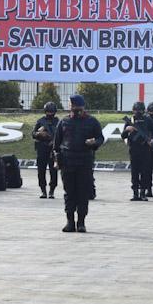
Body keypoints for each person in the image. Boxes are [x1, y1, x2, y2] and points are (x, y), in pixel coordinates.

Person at [53, 95, 104, 233]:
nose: (71, 107)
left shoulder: (92, 122)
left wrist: (95, 143)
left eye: (72, 104)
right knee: (69, 193)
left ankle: (81, 222)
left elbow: (100, 138)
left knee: (83, 193)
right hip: (68, 162)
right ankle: (70, 221)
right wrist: (57, 159)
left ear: (79, 106)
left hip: (84, 162)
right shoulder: (64, 122)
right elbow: (56, 144)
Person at [121, 101, 153, 202]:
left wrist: (151, 140)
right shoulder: (130, 120)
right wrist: (127, 130)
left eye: (139, 110)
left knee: (145, 171)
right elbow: (123, 136)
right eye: (136, 110)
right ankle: (135, 193)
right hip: (134, 149)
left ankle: (143, 192)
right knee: (134, 172)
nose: (138, 112)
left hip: (145, 149)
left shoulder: (148, 120)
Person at [32, 102, 59, 198]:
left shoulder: (58, 122)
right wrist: (39, 134)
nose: (50, 114)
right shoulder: (40, 121)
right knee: (41, 170)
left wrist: (55, 142)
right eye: (48, 112)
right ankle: (43, 190)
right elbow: (33, 134)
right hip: (42, 148)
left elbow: (62, 135)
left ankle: (52, 191)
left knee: (54, 171)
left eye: (52, 112)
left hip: (53, 149)